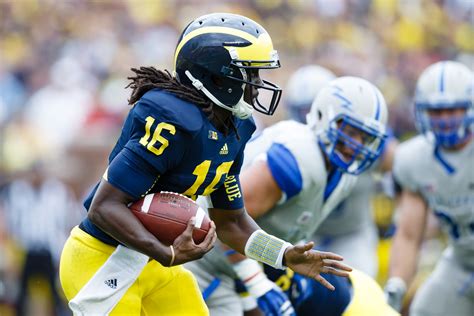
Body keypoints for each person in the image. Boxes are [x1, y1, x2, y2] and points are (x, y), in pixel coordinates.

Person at [59, 13, 351, 316]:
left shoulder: (235, 128)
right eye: (249, 74)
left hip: (156, 264)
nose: (257, 85)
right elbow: (104, 207)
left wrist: (283, 255)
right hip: (103, 260)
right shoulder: (171, 120)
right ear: (216, 76)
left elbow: (231, 222)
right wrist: (165, 251)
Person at [185, 76, 398, 315]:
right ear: (323, 117)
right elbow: (224, 222)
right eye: (350, 131)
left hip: (243, 268)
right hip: (202, 260)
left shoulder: (344, 174)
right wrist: (254, 284)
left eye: (365, 137)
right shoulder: (298, 158)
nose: (356, 144)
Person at [385, 60, 474, 315]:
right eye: (436, 111)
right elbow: (410, 235)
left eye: (453, 110)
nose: (445, 119)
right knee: (425, 310)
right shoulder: (414, 159)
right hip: (462, 261)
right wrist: (397, 284)